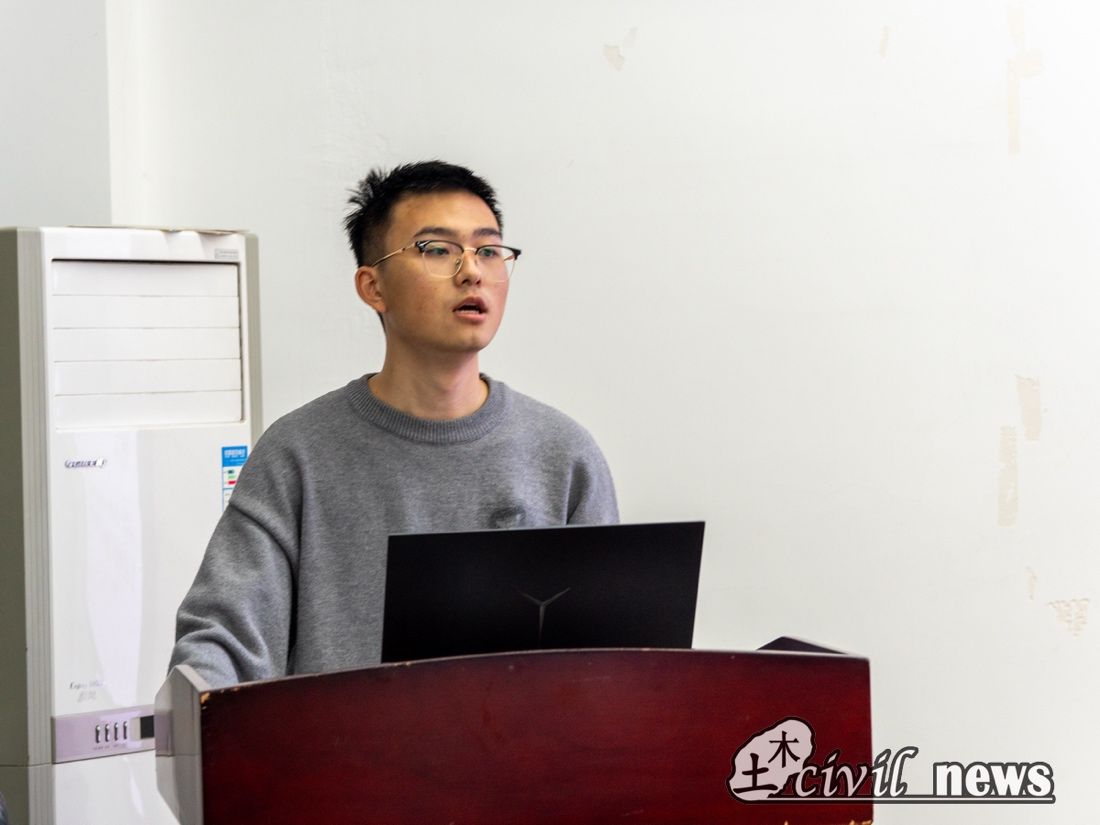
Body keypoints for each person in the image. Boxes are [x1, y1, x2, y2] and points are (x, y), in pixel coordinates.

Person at [169, 160, 619, 688]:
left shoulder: (563, 454)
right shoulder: (298, 454)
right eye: (438, 249)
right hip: (341, 742)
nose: (472, 271)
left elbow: (609, 661)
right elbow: (221, 641)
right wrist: (202, 700)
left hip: (516, 743)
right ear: (373, 286)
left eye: (489, 250)